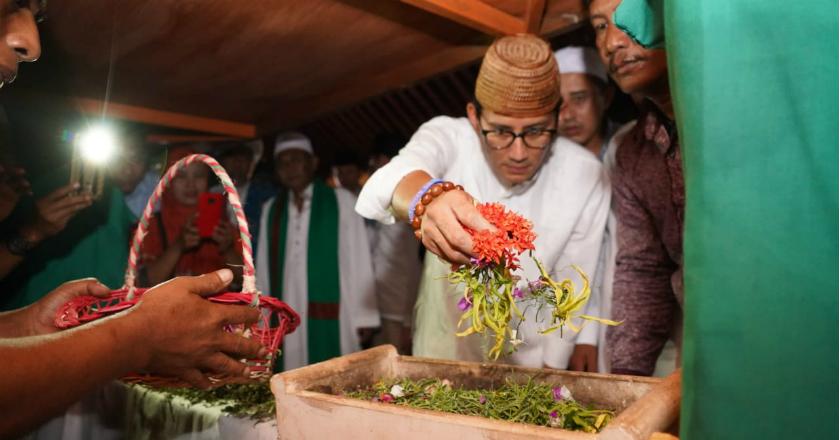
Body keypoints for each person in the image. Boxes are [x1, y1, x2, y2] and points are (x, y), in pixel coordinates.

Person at [0, 4, 265, 437]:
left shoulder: (126, 208)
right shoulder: (62, 195)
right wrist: (139, 334)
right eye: (10, 5)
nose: (31, 41)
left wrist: (26, 325)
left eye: (36, 15)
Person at [356, 34, 610, 370]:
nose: (518, 153)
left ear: (558, 116)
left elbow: (572, 287)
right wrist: (427, 199)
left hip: (527, 358)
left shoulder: (586, 174)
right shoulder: (451, 137)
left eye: (536, 132)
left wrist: (550, 374)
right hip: (444, 347)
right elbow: (388, 180)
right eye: (501, 132)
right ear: (475, 118)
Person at [589, 0, 682, 376]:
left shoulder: (741, 115)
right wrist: (626, 385)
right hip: (708, 345)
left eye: (626, 17)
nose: (612, 42)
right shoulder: (632, 155)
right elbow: (644, 271)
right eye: (599, 27)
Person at [256, 132, 378, 371]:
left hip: (338, 309)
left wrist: (365, 314)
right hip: (286, 306)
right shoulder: (272, 209)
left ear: (313, 163)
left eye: (296, 159)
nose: (290, 167)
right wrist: (261, 316)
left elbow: (360, 256)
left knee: (335, 374)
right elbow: (262, 265)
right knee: (290, 367)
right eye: (283, 162)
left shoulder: (341, 200)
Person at [142, 147, 242, 286]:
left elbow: (246, 281)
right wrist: (179, 245)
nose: (190, 184)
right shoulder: (152, 226)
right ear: (168, 181)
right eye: (181, 176)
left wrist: (228, 249)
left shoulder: (222, 224)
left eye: (199, 176)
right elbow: (146, 282)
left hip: (216, 307)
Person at [366, 133, 422, 354]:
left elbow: (409, 260)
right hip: (381, 295)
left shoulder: (406, 198)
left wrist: (407, 316)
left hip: (398, 300)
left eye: (378, 160)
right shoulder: (385, 194)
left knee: (395, 359)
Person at [212, 140, 275, 247]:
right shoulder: (210, 194)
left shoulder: (266, 195)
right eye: (231, 155)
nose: (237, 161)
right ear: (222, 161)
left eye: (243, 156)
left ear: (251, 162)